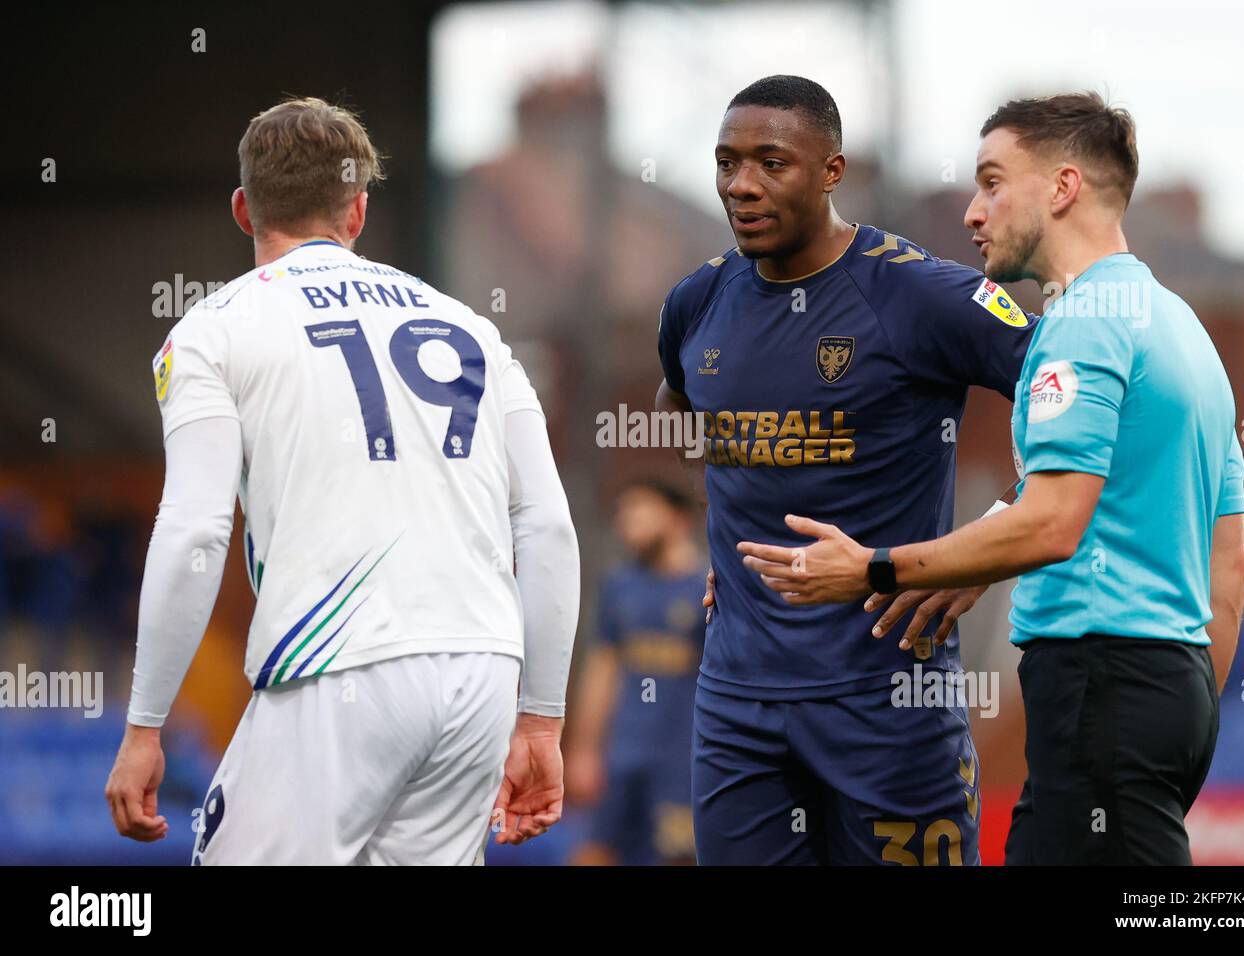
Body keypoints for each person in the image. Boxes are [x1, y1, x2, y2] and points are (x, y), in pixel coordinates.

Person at [738, 92, 1244, 865]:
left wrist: (872, 569)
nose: (975, 212)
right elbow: (1231, 565)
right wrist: (1177, 711)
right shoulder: (1181, 329)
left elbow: (1052, 522)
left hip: (1098, 686)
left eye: (992, 182)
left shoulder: (1080, 325)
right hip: (1163, 694)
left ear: (1063, 188)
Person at [104, 97, 581, 865]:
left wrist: (144, 724)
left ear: (242, 208)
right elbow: (549, 527)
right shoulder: (472, 329)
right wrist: (541, 721)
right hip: (480, 675)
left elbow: (196, 531)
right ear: (357, 210)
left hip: (335, 663)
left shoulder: (213, 330)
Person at [656, 75, 1039, 865]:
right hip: (738, 705)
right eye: (726, 163)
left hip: (890, 700)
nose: (742, 185)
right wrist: (727, 527)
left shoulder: (921, 294)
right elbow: (684, 406)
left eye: (771, 163)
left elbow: (1097, 406)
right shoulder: (698, 302)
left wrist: (996, 534)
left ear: (832, 171)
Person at [566, 480, 706, 865]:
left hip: (682, 759)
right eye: (624, 514)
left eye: (641, 511)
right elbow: (602, 669)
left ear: (676, 518)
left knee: (675, 856)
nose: (628, 522)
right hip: (622, 755)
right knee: (592, 853)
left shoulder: (708, 588)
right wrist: (583, 751)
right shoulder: (620, 587)